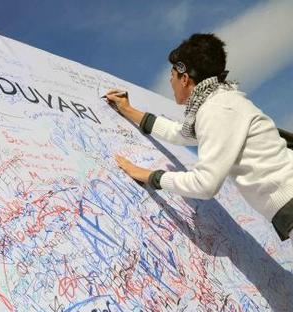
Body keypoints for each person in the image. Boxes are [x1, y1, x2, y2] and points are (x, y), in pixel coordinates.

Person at [105, 33, 293, 242]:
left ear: (184, 78)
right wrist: (128, 110)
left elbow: (205, 184)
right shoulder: (219, 102)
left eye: (172, 75)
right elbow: (179, 133)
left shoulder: (217, 110)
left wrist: (149, 176)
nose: (170, 81)